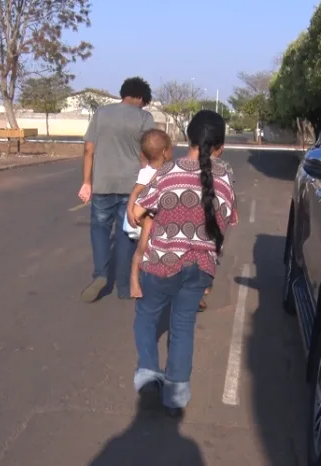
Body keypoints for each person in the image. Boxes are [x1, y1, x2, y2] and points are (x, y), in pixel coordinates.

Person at [129, 110, 237, 417]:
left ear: (187, 138)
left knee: (147, 317)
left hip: (161, 262)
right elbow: (226, 220)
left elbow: (137, 213)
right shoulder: (226, 178)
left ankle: (149, 372)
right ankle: (175, 397)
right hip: (201, 267)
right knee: (182, 326)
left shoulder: (167, 172)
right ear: (221, 146)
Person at [78, 77, 156, 302]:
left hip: (103, 183)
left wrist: (87, 181)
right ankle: (123, 286)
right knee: (126, 234)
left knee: (100, 229)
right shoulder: (144, 117)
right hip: (131, 186)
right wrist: (148, 182)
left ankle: (100, 275)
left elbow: (88, 149)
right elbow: (147, 153)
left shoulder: (101, 114)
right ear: (141, 98)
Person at [126, 129, 174, 299]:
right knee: (142, 248)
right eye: (171, 147)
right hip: (149, 216)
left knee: (145, 249)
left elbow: (134, 193)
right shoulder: (148, 172)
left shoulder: (166, 169)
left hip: (157, 214)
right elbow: (136, 190)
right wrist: (130, 209)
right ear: (165, 152)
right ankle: (134, 280)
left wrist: (130, 207)